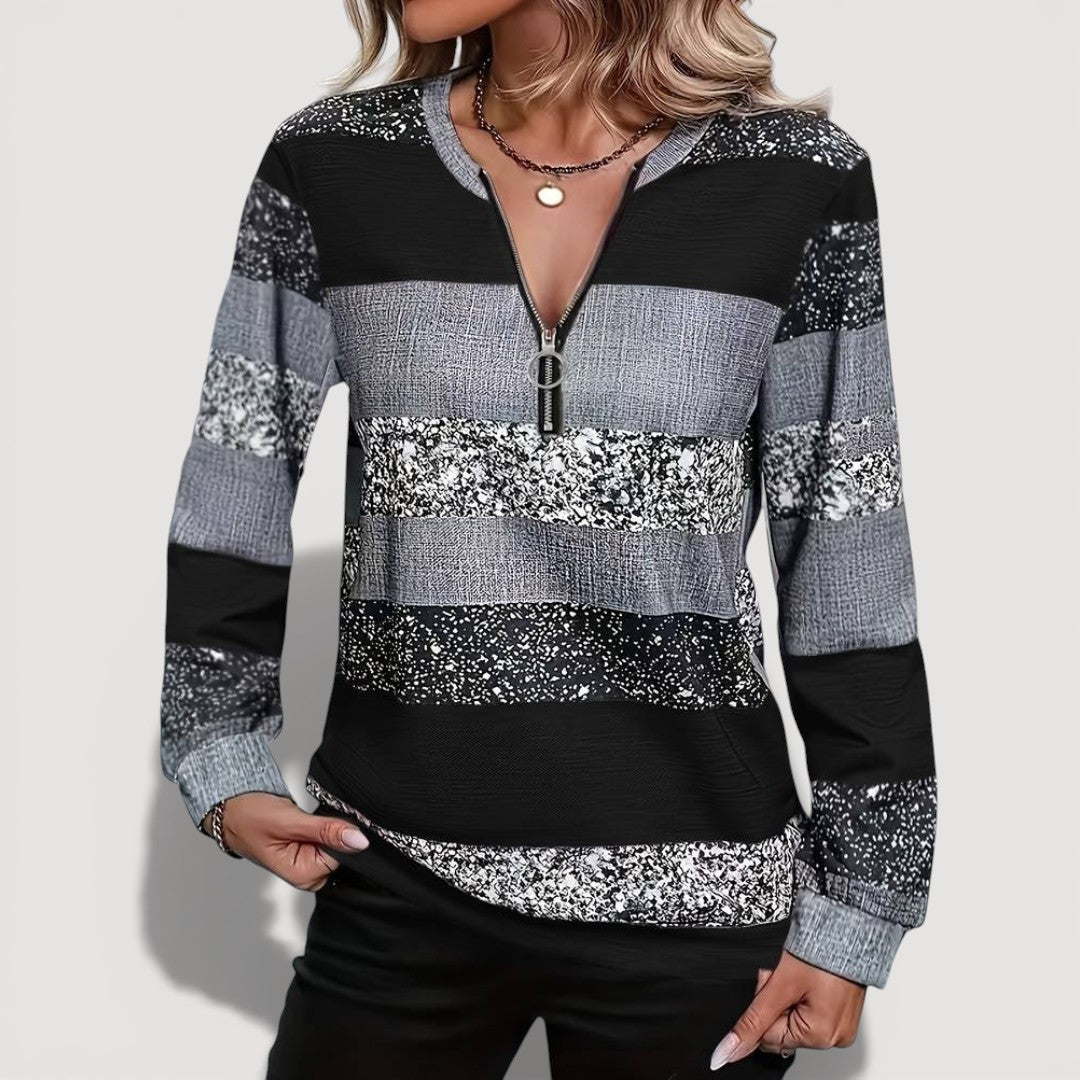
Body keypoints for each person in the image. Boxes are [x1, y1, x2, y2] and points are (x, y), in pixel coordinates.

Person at [159, 1, 937, 1076]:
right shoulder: (333, 161)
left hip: (699, 898)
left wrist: (860, 906)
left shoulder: (797, 176)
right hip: (398, 875)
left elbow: (846, 543)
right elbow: (236, 470)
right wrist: (218, 750)